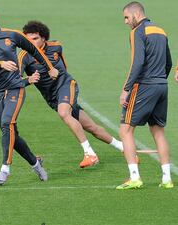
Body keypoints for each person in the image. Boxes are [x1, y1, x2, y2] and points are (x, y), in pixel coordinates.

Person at [0, 2, 59, 185]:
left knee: (7, 123)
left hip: (15, 88)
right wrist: (1, 64)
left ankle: (5, 168)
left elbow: (35, 50)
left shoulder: (12, 35)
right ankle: (36, 163)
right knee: (11, 134)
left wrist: (50, 67)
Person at [19, 21, 124, 168]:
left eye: (35, 38)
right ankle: (124, 148)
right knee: (91, 127)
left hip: (66, 86)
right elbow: (15, 81)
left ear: (43, 38)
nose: (31, 42)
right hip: (52, 97)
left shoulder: (56, 46)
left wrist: (60, 77)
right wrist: (28, 80)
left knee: (64, 113)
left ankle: (90, 154)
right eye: (28, 39)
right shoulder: (24, 56)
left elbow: (64, 67)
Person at [116, 1, 173, 189]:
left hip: (145, 86)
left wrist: (126, 89)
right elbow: (168, 62)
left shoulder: (137, 32)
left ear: (136, 14)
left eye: (126, 17)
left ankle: (134, 177)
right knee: (158, 131)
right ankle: (167, 179)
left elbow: (137, 63)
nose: (125, 22)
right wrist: (159, 81)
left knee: (125, 130)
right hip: (162, 86)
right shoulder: (161, 30)